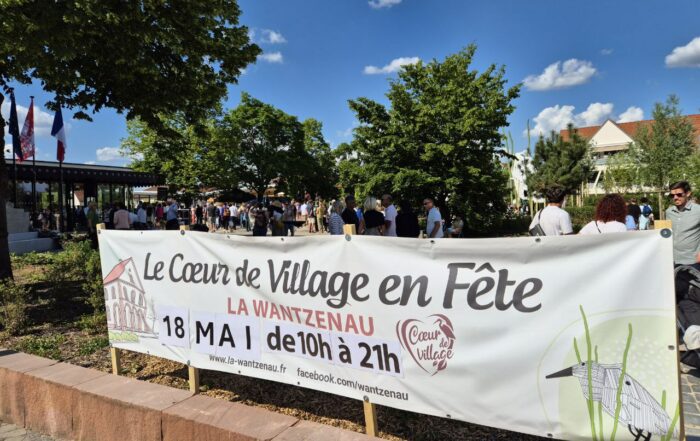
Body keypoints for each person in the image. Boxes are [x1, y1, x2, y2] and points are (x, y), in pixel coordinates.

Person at [666, 181, 700, 267]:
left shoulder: (698, 211)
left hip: (692, 260)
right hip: (672, 259)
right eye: (672, 195)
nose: (675, 197)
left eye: (679, 194)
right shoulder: (669, 212)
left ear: (688, 193)